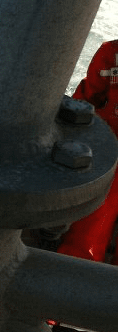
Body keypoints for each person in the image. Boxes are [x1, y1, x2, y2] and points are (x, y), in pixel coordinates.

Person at [58, 40, 118, 263]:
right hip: (109, 152)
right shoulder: (111, 53)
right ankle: (76, 268)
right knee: (96, 213)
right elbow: (84, 104)